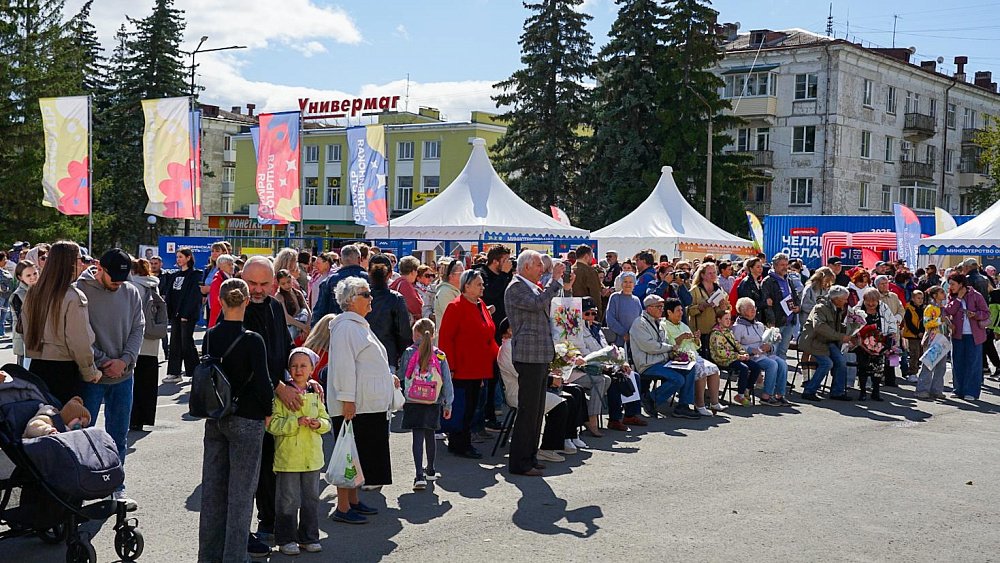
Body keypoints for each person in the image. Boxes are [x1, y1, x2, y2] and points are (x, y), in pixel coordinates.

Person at [197, 277, 274, 563]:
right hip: (248, 417)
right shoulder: (253, 339)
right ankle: (234, 557)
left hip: (215, 416)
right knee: (241, 495)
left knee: (213, 492)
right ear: (244, 301)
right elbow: (264, 382)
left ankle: (208, 555)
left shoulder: (210, 335)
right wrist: (268, 411)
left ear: (220, 301)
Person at [75, 249, 145, 507]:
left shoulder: (131, 291)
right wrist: (103, 360)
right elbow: (78, 333)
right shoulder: (80, 290)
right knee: (83, 434)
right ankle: (81, 485)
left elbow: (139, 327)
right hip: (91, 376)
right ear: (99, 268)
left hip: (124, 375)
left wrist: (125, 361)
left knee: (119, 434)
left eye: (122, 279)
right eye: (113, 277)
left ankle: (116, 483)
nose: (118, 283)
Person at [328, 277, 398, 523]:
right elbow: (344, 367)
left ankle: (354, 501)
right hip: (356, 405)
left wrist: (388, 379)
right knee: (349, 454)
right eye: (365, 294)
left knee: (359, 455)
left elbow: (368, 363)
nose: (371, 298)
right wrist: (347, 399)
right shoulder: (346, 327)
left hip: (367, 404)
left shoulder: (358, 325)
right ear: (350, 301)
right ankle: (343, 507)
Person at [504, 249, 571, 476]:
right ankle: (520, 462)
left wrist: (555, 282)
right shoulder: (516, 287)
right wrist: (553, 281)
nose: (542, 269)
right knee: (528, 411)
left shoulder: (530, 286)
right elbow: (537, 304)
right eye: (538, 266)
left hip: (539, 355)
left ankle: (530, 457)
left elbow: (543, 302)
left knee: (536, 411)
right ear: (525, 268)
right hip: (528, 355)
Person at [267, 347, 330, 556]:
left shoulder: (316, 393)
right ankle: (286, 539)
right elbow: (272, 425)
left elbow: (327, 422)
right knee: (288, 500)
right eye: (294, 366)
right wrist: (296, 422)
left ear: (312, 369)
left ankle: (309, 537)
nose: (298, 369)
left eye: (303, 365)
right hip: (288, 459)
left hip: (312, 458)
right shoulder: (281, 395)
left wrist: (318, 424)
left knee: (312, 499)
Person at [23, 241, 100, 404]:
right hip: (64, 370)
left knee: (42, 422)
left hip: (36, 366)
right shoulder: (73, 296)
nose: (82, 263)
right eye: (80, 259)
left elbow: (23, 329)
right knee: (66, 423)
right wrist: (89, 371)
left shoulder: (33, 292)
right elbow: (79, 341)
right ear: (70, 263)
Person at [437, 269, 497, 459]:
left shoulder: (480, 304)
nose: (482, 287)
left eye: (482, 284)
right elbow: (446, 340)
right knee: (463, 407)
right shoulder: (455, 307)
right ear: (467, 286)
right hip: (461, 368)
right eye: (479, 284)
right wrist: (450, 367)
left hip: (479, 365)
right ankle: (460, 444)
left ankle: (462, 442)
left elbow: (489, 334)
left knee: (472, 407)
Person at [399, 318, 454, 490]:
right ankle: (430, 469)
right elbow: (446, 380)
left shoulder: (409, 352)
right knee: (431, 434)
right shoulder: (439, 355)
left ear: (415, 333)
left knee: (417, 435)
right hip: (433, 399)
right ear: (433, 334)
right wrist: (447, 403)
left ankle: (418, 475)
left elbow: (403, 375)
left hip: (413, 399)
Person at [629, 295, 699, 419]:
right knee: (678, 379)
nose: (662, 309)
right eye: (659, 307)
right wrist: (670, 349)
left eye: (662, 306)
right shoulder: (639, 323)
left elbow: (666, 343)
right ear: (649, 308)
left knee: (690, 368)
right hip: (648, 364)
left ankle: (683, 406)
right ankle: (650, 398)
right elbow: (650, 346)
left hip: (663, 361)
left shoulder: (660, 323)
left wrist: (674, 355)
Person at [661, 297, 725, 416]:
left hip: (693, 355)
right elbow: (667, 345)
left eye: (681, 310)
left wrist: (696, 339)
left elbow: (695, 346)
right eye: (678, 311)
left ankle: (714, 402)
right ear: (669, 312)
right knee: (702, 371)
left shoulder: (683, 325)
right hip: (678, 358)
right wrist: (680, 338)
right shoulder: (664, 326)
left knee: (714, 369)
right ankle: (699, 404)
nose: (681, 313)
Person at [567, 297, 613, 436]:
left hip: (593, 367)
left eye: (594, 313)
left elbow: (605, 348)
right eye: (587, 314)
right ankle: (591, 420)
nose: (591, 317)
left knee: (609, 379)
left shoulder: (596, 328)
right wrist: (603, 362)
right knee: (600, 380)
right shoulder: (574, 328)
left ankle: (586, 414)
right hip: (573, 371)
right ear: (579, 314)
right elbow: (583, 353)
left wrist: (616, 362)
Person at [798, 286, 853, 401]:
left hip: (827, 341)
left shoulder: (837, 308)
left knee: (841, 361)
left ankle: (837, 392)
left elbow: (836, 327)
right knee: (827, 363)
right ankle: (809, 391)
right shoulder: (820, 308)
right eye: (844, 299)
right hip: (813, 341)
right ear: (836, 299)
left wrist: (852, 329)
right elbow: (819, 327)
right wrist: (841, 337)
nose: (846, 301)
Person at [732, 298, 790, 405]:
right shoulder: (738, 327)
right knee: (772, 365)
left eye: (754, 307)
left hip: (765, 354)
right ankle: (766, 396)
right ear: (742, 311)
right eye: (750, 308)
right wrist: (750, 349)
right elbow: (735, 346)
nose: (753, 310)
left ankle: (780, 395)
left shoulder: (759, 325)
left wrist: (770, 347)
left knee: (782, 363)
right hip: (752, 356)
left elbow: (769, 340)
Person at [128, 258, 163, 431]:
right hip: (152, 339)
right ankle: (145, 418)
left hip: (134, 339)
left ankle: (132, 417)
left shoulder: (132, 286)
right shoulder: (153, 285)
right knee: (148, 383)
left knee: (133, 381)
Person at [944, 273, 989, 401]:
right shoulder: (952, 297)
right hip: (958, 335)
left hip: (974, 335)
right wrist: (958, 298)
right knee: (957, 363)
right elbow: (948, 311)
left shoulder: (976, 295)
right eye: (950, 284)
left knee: (973, 364)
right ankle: (959, 390)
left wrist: (975, 314)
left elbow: (986, 313)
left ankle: (971, 392)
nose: (950, 287)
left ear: (961, 284)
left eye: (953, 284)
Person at [163, 248, 203, 384]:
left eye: (180, 257)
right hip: (175, 314)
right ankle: (174, 372)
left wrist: (186, 313)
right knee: (174, 342)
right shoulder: (175, 275)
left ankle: (195, 371)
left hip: (187, 315)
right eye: (177, 257)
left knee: (186, 343)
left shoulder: (195, 275)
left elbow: (194, 296)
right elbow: (170, 294)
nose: (178, 259)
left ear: (188, 257)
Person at [710, 311, 762, 407]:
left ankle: (747, 389)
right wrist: (738, 356)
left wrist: (744, 353)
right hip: (723, 359)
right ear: (719, 320)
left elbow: (737, 345)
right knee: (744, 368)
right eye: (726, 319)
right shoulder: (716, 334)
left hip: (734, 357)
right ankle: (740, 395)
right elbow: (721, 353)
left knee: (756, 367)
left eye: (729, 319)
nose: (728, 321)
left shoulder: (728, 331)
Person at [851, 288, 895, 401]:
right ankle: (863, 392)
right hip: (862, 344)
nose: (871, 304)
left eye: (874, 301)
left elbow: (891, 322)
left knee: (878, 368)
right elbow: (851, 326)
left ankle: (876, 392)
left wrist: (892, 335)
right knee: (863, 367)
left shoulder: (884, 309)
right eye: (868, 301)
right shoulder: (857, 309)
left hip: (880, 343)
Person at [311, 244, 368, 323]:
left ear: (340, 260)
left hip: (335, 329)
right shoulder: (370, 280)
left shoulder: (328, 281)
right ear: (359, 259)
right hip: (364, 330)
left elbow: (319, 312)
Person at [760, 253, 800, 362]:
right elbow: (767, 304)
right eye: (782, 265)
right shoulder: (768, 281)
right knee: (773, 350)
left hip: (790, 321)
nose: (785, 267)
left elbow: (795, 296)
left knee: (783, 351)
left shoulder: (789, 280)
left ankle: (781, 377)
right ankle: (774, 377)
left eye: (786, 264)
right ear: (775, 265)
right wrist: (771, 322)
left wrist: (798, 307)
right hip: (776, 322)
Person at [915, 287, 950, 400]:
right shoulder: (930, 308)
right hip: (933, 339)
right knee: (928, 365)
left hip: (943, 339)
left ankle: (937, 390)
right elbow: (926, 323)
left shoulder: (943, 308)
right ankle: (922, 390)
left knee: (941, 366)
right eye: (941, 292)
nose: (944, 294)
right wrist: (940, 320)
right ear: (934, 295)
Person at [687, 262, 730, 354]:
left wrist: (724, 307)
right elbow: (688, 310)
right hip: (701, 331)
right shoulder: (695, 290)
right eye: (710, 273)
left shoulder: (719, 289)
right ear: (702, 275)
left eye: (714, 272)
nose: (713, 275)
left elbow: (728, 308)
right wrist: (702, 306)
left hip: (717, 331)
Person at [9, 259, 38, 367]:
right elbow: (22, 324)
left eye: (35, 273)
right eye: (28, 275)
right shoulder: (17, 295)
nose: (33, 277)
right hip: (24, 343)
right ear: (20, 277)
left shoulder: (41, 291)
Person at [605, 271, 642, 350]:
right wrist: (623, 333)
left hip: (634, 341)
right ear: (621, 283)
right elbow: (610, 319)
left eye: (630, 282)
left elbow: (640, 320)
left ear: (634, 284)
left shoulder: (636, 300)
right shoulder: (615, 297)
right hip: (618, 341)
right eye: (625, 281)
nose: (628, 284)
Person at [275, 269, 310, 343]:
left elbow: (308, 311)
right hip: (290, 330)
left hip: (303, 328)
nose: (287, 285)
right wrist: (303, 327)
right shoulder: (279, 296)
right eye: (283, 284)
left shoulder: (298, 293)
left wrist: (307, 327)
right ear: (279, 284)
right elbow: (286, 318)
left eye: (288, 282)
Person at [571, 244, 603, 321]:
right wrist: (598, 315)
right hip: (587, 314)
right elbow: (595, 295)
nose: (592, 258)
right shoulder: (590, 271)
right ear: (586, 256)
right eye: (591, 256)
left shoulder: (570, 270)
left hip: (571, 312)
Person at [390, 256, 425, 323]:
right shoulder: (405, 285)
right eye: (417, 271)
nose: (417, 274)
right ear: (412, 271)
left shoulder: (397, 282)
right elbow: (417, 308)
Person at [901, 289, 925, 382]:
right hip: (911, 335)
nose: (920, 300)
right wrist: (917, 332)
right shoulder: (909, 309)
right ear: (913, 298)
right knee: (914, 354)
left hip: (921, 335)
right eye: (918, 298)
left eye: (922, 298)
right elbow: (909, 323)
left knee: (920, 354)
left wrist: (922, 331)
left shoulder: (923, 309)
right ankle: (912, 373)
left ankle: (916, 371)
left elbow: (923, 322)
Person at [433, 258, 463, 331]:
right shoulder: (445, 292)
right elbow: (453, 318)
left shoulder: (455, 291)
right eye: (461, 273)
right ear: (451, 276)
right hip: (448, 339)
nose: (464, 275)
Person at [206, 254, 235, 329]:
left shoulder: (227, 278)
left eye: (232, 264)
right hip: (221, 319)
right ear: (221, 266)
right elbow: (216, 304)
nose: (232, 267)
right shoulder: (218, 281)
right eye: (229, 264)